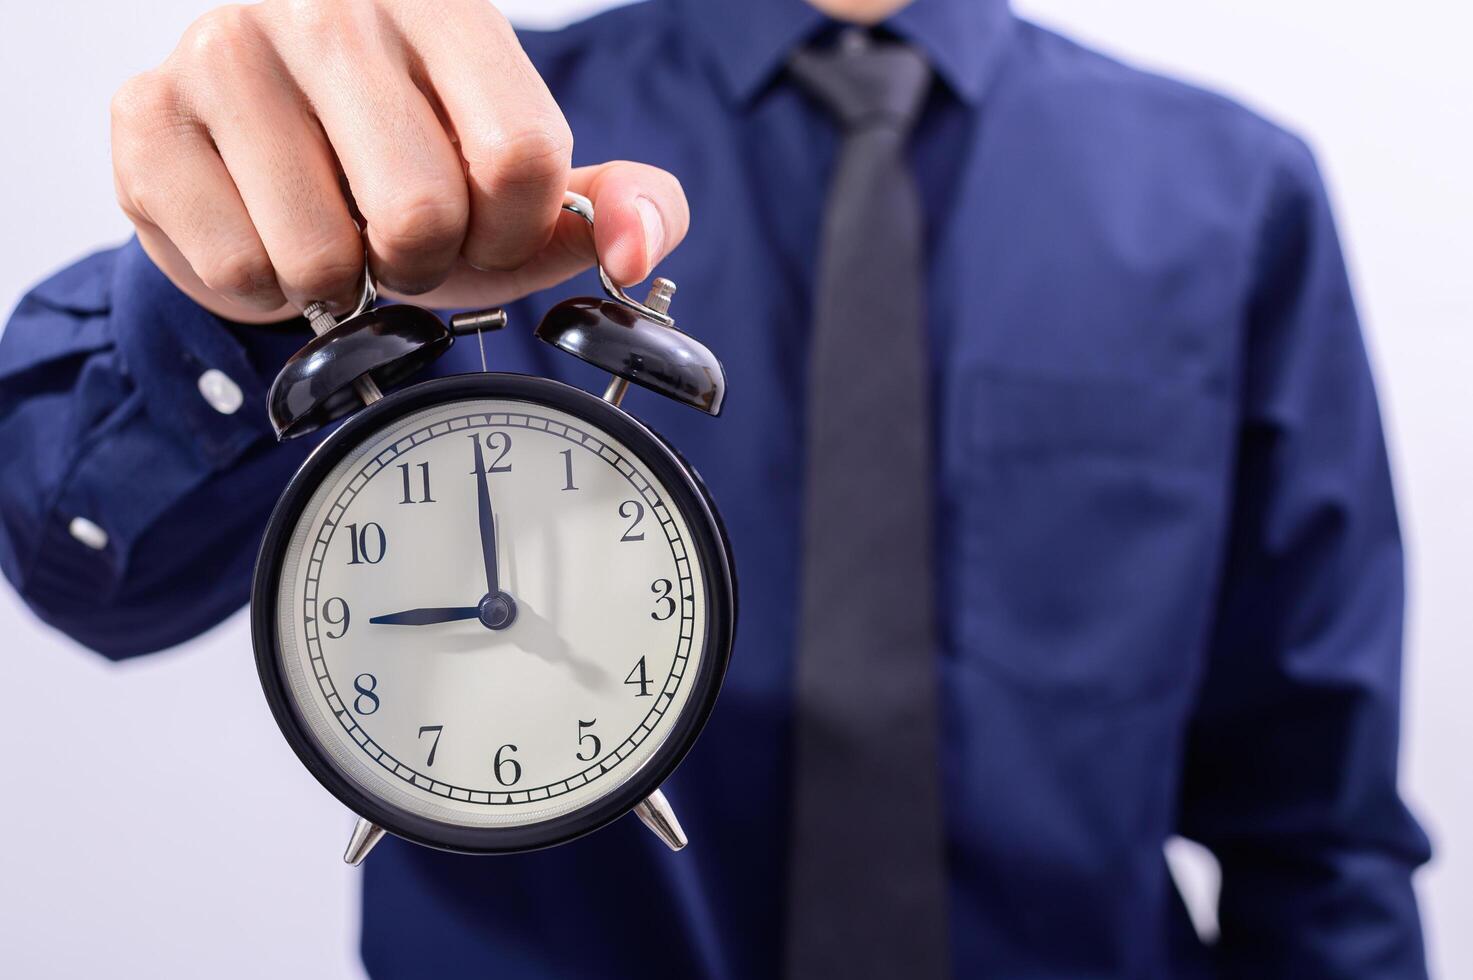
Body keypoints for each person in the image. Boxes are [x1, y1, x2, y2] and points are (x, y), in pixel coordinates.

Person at [0, 0, 1431, 976]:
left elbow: (1316, 834)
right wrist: (251, 287)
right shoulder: (454, 154)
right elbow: (78, 559)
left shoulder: (1233, 198)